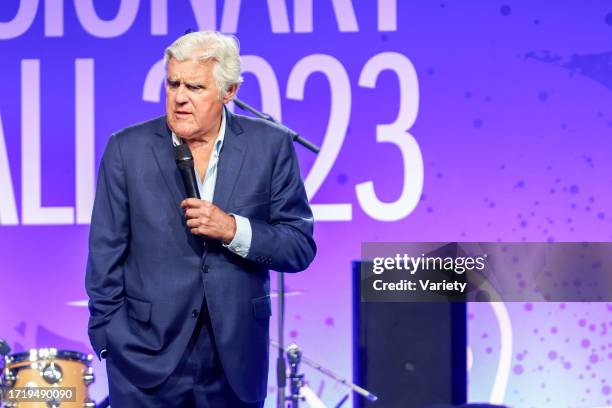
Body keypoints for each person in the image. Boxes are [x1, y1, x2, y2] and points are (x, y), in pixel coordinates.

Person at [85, 30, 316, 407]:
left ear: (229, 92)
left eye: (194, 87)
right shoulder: (126, 150)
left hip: (235, 361)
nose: (179, 98)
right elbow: (104, 255)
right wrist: (110, 338)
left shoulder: (270, 147)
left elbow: (299, 246)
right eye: (173, 83)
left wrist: (232, 229)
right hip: (144, 358)